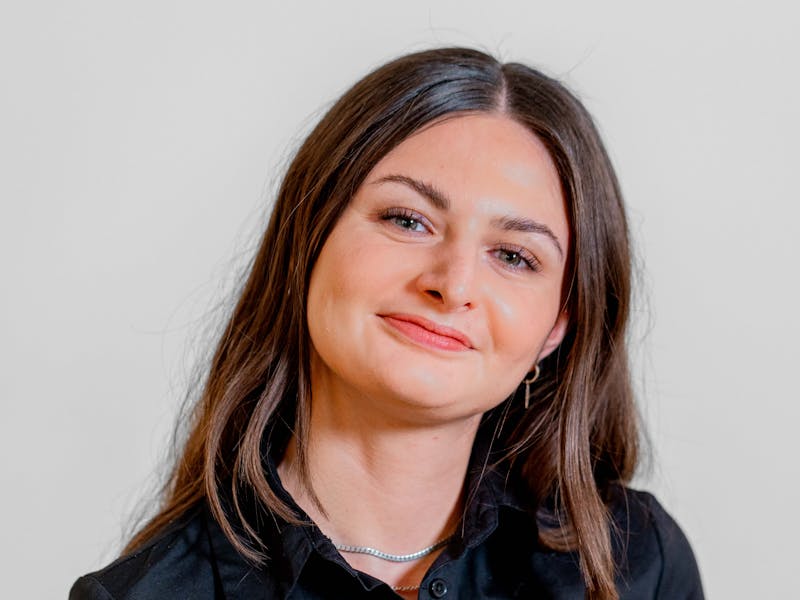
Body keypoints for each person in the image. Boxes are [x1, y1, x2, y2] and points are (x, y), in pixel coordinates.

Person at [70, 47, 704, 600]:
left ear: (557, 327)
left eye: (514, 256)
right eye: (407, 220)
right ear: (310, 236)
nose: (453, 284)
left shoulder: (637, 564)